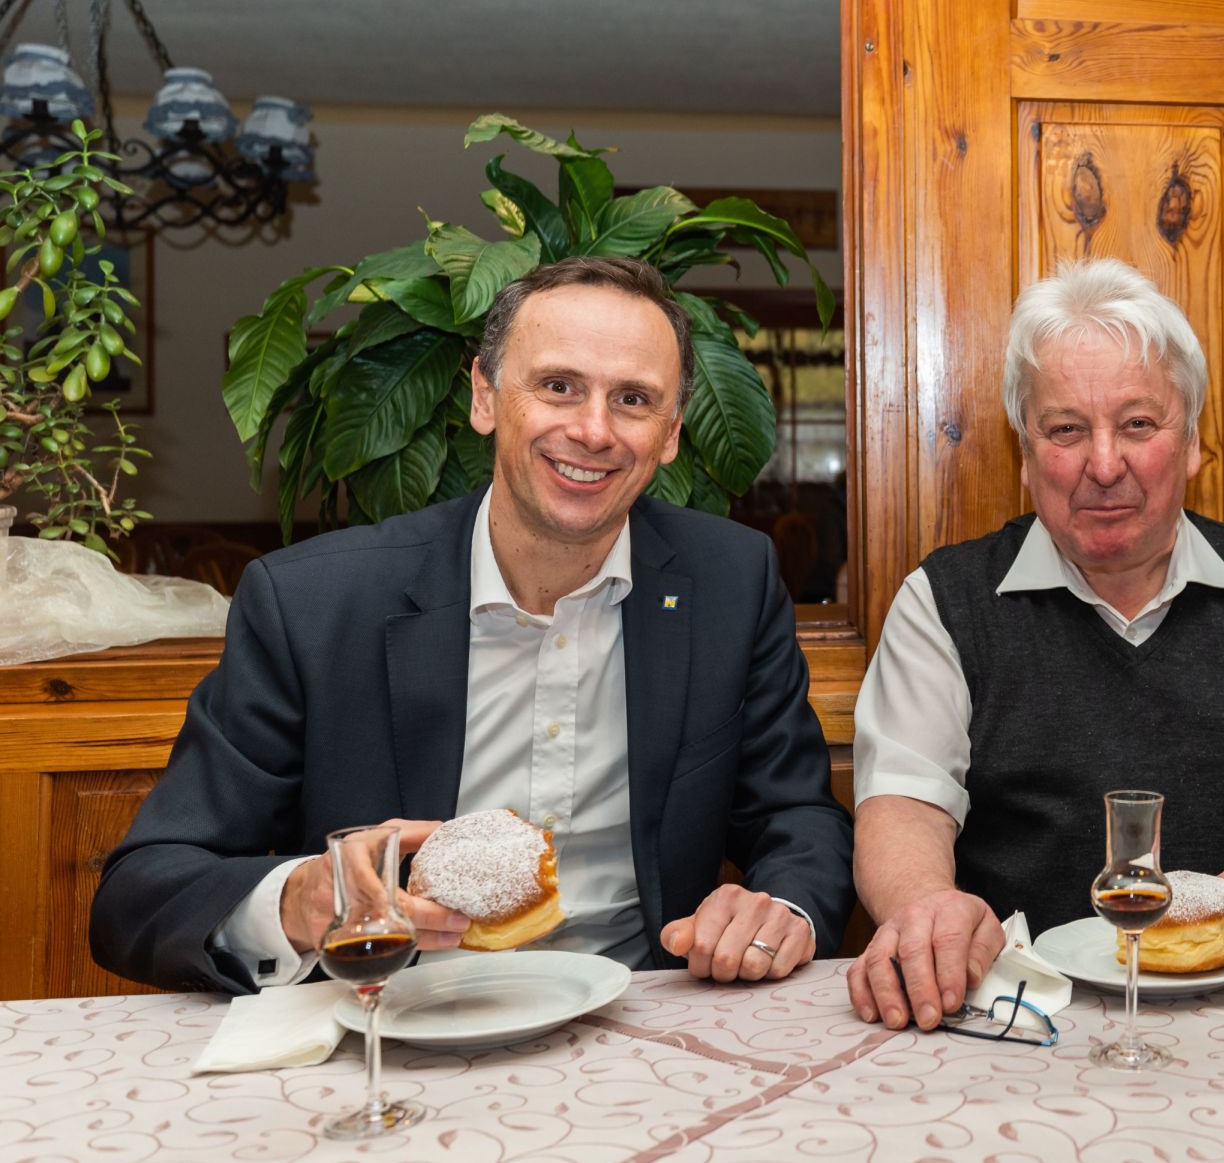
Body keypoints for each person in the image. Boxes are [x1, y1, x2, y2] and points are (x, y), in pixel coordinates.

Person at [89, 256, 854, 994]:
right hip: (388, 1023)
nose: (594, 430)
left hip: (639, 1019)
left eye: (632, 398)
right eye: (558, 386)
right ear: (483, 397)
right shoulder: (311, 604)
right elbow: (141, 890)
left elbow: (795, 816)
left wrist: (780, 909)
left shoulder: (731, 583)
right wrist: (297, 900)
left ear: (672, 431)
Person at [846, 260, 1224, 1031]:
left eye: (1137, 424)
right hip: (1027, 1019)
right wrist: (927, 907)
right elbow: (902, 806)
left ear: (1190, 443)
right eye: (1065, 429)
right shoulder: (943, 601)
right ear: (1025, 455)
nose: (1103, 464)